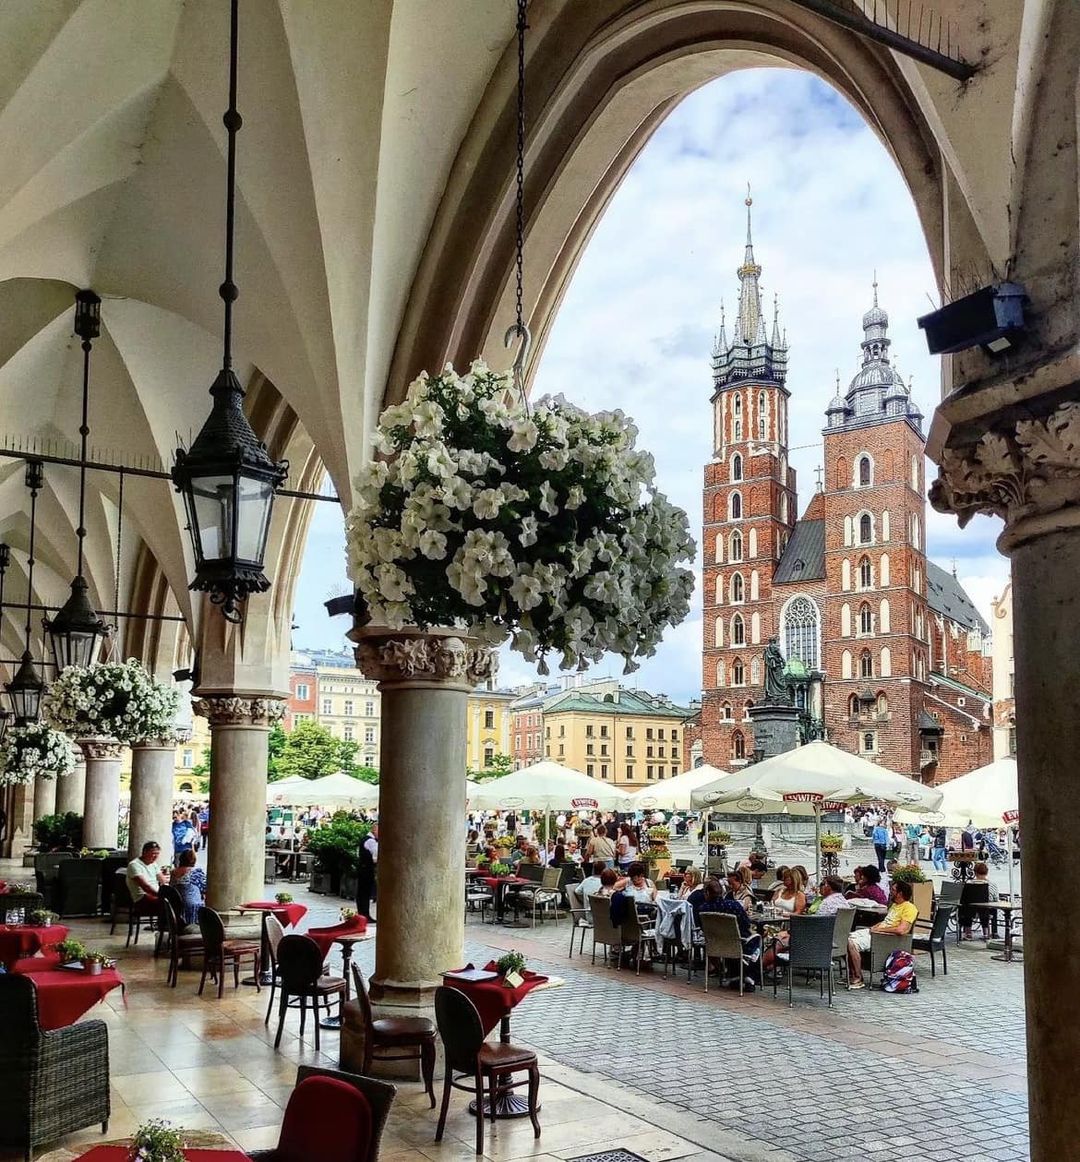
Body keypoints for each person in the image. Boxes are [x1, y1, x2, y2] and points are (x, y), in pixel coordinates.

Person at [846, 878, 918, 989]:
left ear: (900, 893)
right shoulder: (894, 906)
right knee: (844, 938)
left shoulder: (909, 908)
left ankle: (858, 977)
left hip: (883, 938)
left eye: (893, 890)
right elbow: (887, 922)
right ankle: (851, 975)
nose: (890, 892)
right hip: (876, 933)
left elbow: (902, 930)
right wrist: (875, 927)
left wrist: (879, 930)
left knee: (851, 943)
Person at [126, 840, 169, 917]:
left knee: (177, 900)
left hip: (155, 895)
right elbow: (146, 887)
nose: (155, 856)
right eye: (153, 854)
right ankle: (165, 925)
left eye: (157, 854)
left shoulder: (154, 864)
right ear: (145, 852)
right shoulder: (134, 865)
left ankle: (171, 925)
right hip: (142, 898)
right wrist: (161, 895)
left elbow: (163, 880)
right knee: (167, 903)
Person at [963, 860, 1001, 940]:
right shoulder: (992, 885)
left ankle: (968, 933)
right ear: (987, 872)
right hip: (986, 911)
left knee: (967, 906)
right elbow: (996, 900)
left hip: (970, 911)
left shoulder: (968, 883)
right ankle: (989, 932)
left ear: (975, 872)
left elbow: (964, 898)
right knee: (992, 908)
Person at [171, 848, 207, 927]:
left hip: (176, 906)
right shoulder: (195, 872)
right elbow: (205, 888)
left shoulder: (173, 872)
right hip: (191, 907)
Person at [355, 824, 378, 923]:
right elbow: (376, 855)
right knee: (365, 892)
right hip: (367, 870)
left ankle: (362, 914)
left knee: (362, 893)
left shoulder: (364, 839)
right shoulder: (371, 841)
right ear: (374, 831)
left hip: (362, 868)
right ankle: (365, 915)